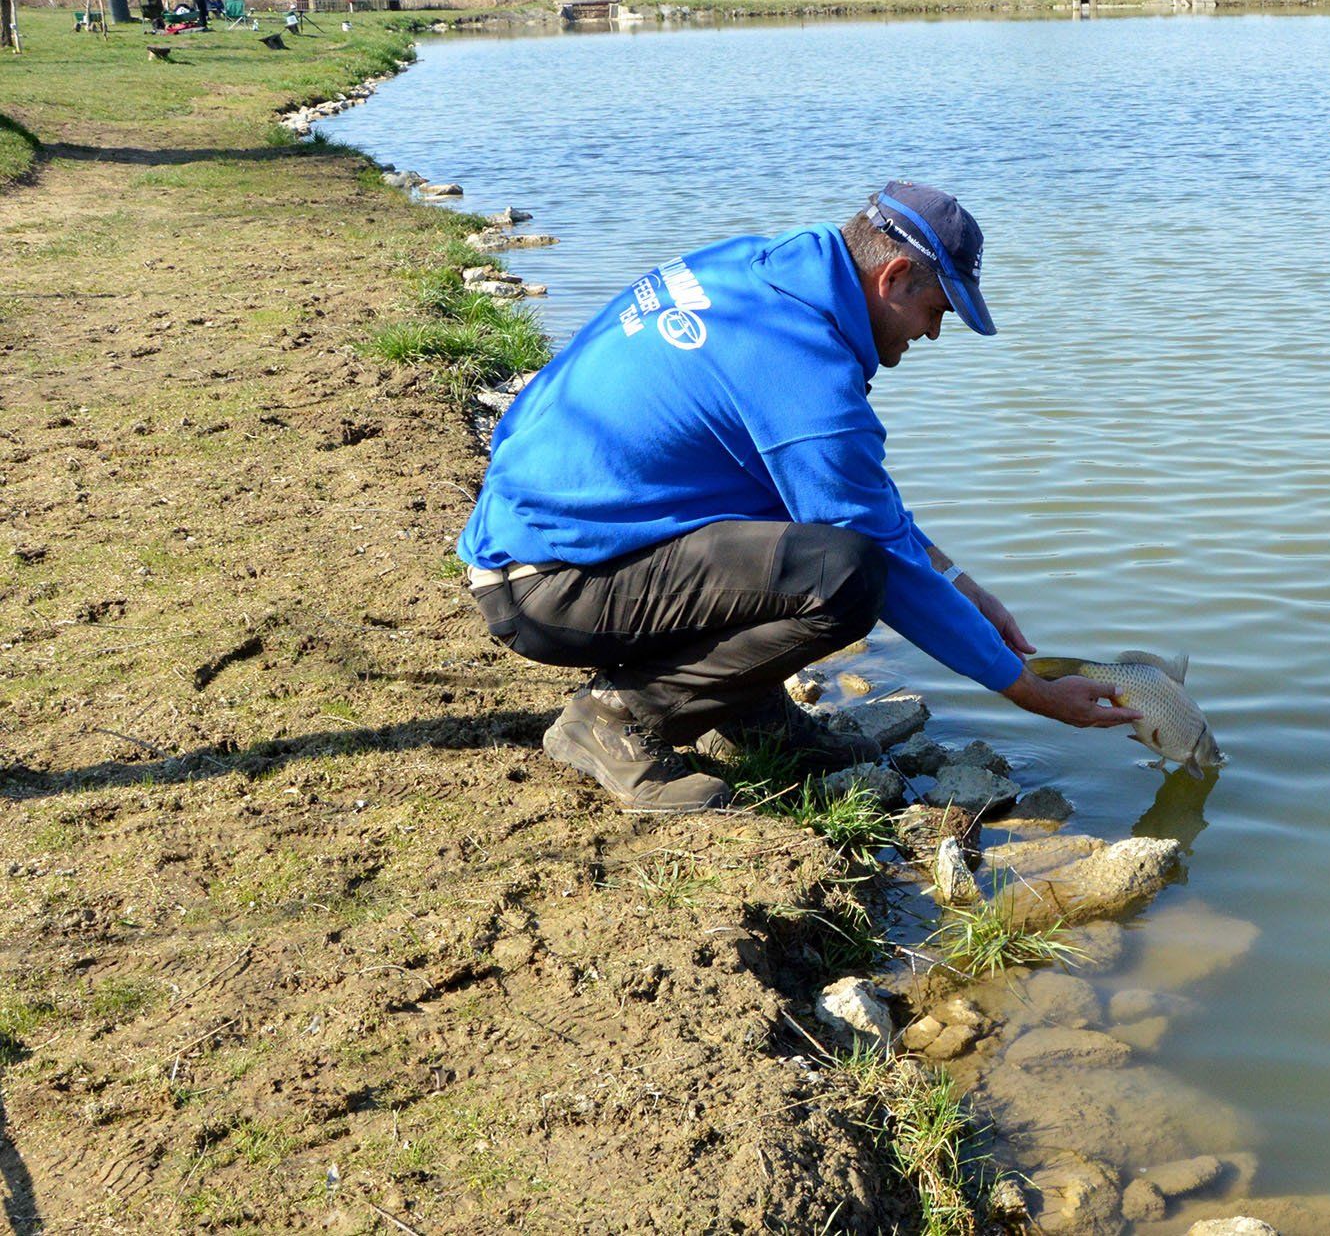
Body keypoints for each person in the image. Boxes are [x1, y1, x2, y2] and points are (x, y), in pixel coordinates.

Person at [457, 183, 1139, 812]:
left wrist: (961, 583)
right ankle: (615, 717)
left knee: (808, 517)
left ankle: (744, 702)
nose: (931, 333)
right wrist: (1030, 691)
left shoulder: (762, 273)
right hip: (546, 585)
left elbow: (848, 489)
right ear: (893, 277)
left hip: (537, 532)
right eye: (937, 311)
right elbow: (876, 552)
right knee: (846, 576)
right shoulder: (800, 362)